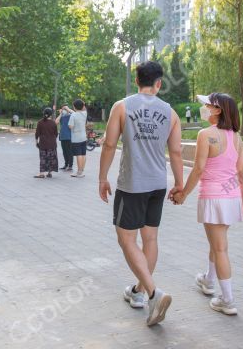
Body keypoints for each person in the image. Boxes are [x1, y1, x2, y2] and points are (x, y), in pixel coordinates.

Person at [98, 61, 183, 327]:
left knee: (125, 240)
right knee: (150, 239)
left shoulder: (122, 106)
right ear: (158, 83)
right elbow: (177, 152)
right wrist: (179, 184)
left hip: (132, 184)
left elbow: (110, 143)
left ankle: (154, 293)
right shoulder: (171, 113)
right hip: (158, 183)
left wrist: (102, 178)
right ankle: (138, 292)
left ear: (137, 81)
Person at [172, 93, 243, 316]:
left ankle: (227, 300)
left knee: (220, 248)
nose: (203, 108)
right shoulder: (236, 137)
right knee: (218, 242)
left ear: (218, 110)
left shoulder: (205, 134)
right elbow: (241, 170)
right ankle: (208, 280)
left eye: (207, 105)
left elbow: (198, 169)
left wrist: (183, 194)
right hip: (231, 198)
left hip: (213, 198)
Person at [34, 107, 59, 178]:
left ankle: (41, 173)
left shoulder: (40, 122)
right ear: (51, 114)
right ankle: (49, 172)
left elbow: (37, 133)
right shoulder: (53, 123)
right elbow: (56, 134)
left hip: (43, 144)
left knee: (43, 158)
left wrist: (36, 142)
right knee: (51, 158)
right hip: (52, 144)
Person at [68, 99, 88, 178]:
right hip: (83, 137)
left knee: (78, 155)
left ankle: (79, 172)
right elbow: (84, 108)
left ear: (74, 107)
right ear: (83, 106)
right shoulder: (84, 113)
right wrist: (83, 103)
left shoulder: (73, 115)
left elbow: (70, 126)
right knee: (83, 154)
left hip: (76, 138)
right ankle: (81, 170)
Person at [56, 104, 74, 171]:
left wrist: (67, 109)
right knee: (64, 152)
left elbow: (75, 114)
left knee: (70, 152)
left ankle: (70, 165)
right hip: (63, 136)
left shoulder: (71, 116)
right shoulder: (62, 116)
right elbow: (56, 122)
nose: (64, 110)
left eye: (64, 109)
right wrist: (60, 114)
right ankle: (66, 164)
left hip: (69, 136)